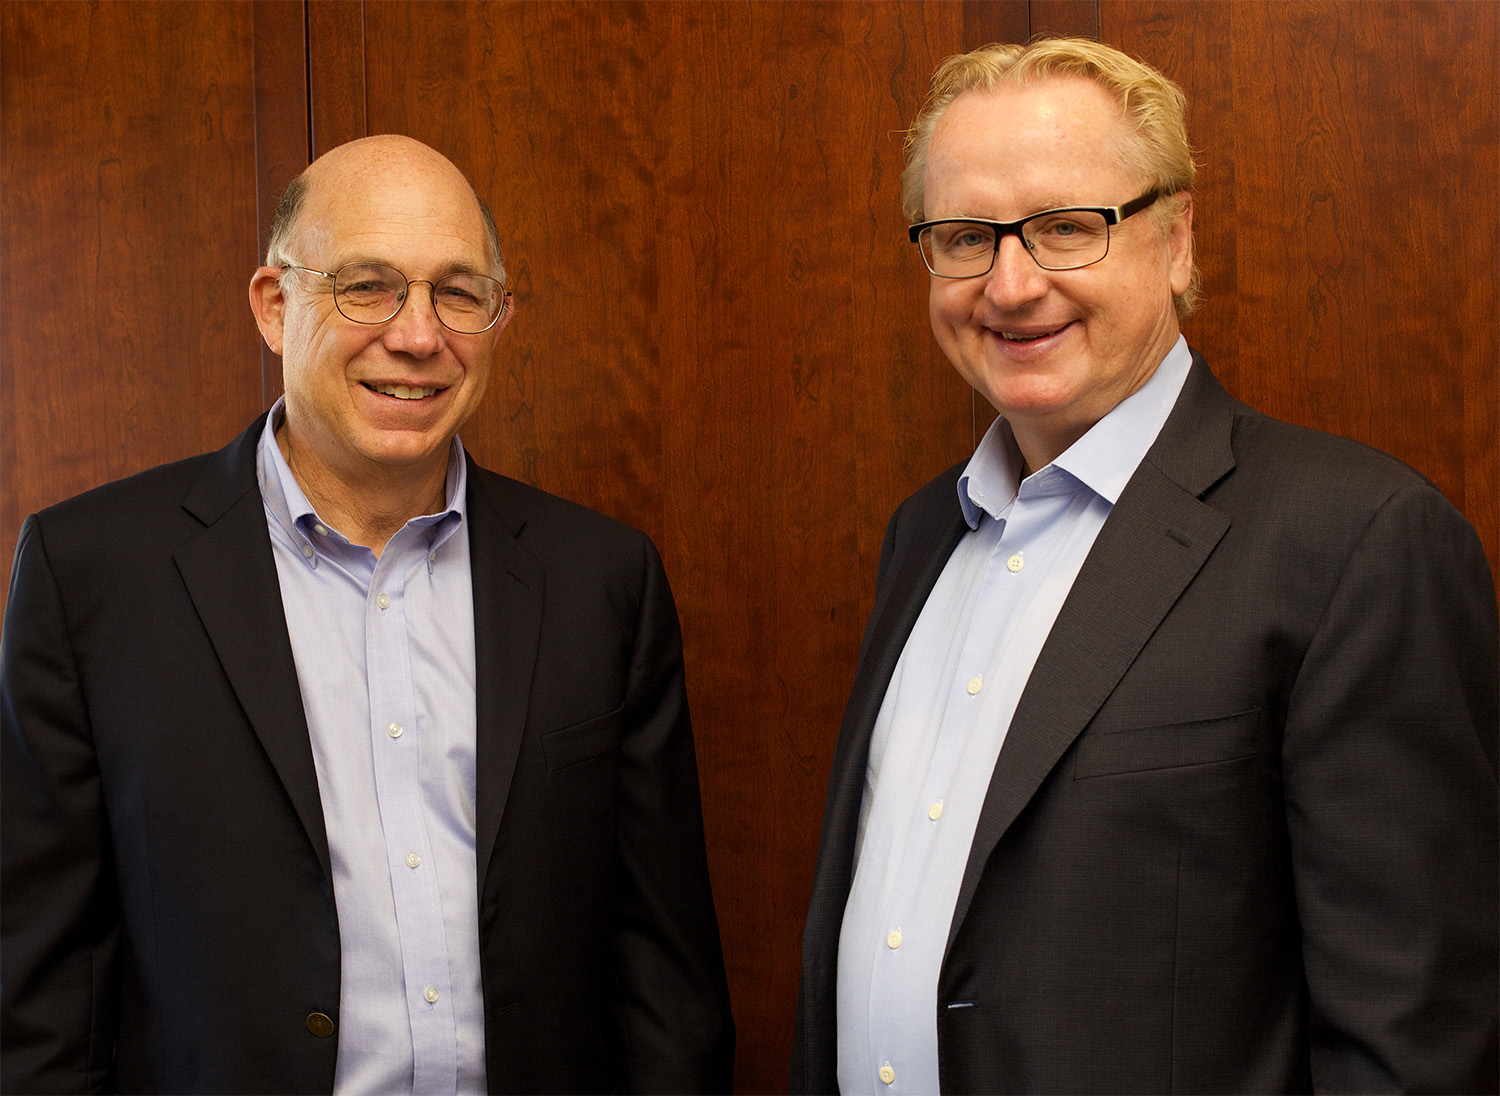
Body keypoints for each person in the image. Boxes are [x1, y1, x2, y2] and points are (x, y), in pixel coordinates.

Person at [793, 38, 1497, 1095]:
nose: (1012, 283)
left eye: (1069, 228)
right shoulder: (923, 536)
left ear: (1176, 240)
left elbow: (1415, 1037)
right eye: (965, 237)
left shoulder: (1356, 540)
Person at [1, 135, 733, 1095]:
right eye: (367, 285)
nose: (419, 335)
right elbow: (41, 990)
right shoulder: (94, 573)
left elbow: (662, 977)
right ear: (275, 305)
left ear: (500, 318)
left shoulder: (600, 578)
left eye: (459, 293)